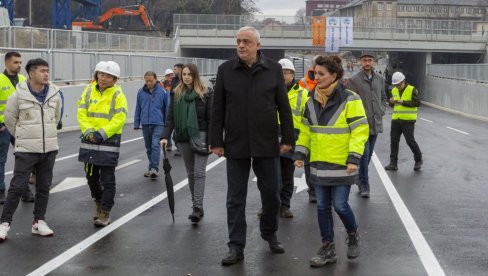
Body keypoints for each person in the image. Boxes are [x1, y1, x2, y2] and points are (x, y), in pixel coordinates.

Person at [210, 26, 294, 266]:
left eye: (246, 41)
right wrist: (216, 141)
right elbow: (218, 108)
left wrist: (288, 139)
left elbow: (283, 107)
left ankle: (269, 232)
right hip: (236, 143)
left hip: (266, 143)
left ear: (258, 45)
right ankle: (236, 246)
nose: (241, 46)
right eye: (238, 41)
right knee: (235, 197)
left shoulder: (274, 70)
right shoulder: (226, 70)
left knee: (272, 195)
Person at [294, 55, 368, 267]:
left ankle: (352, 234)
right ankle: (328, 248)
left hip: (343, 165)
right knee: (322, 208)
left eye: (321, 74)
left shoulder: (350, 99)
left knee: (340, 205)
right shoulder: (310, 100)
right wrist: (300, 154)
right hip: (318, 165)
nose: (316, 77)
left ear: (334, 75)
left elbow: (359, 131)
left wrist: (354, 158)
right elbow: (306, 131)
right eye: (314, 73)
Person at [0, 58, 63, 242]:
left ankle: (39, 222)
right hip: (26, 149)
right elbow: (10, 120)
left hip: (49, 148)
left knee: (43, 187)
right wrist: (24, 136)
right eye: (42, 71)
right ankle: (4, 224)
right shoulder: (18, 95)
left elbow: (56, 117)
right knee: (17, 186)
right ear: (31, 73)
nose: (46, 74)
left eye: (47, 70)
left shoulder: (54, 94)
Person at [77, 61, 128, 227]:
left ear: (114, 79)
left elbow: (119, 119)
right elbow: (81, 112)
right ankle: (99, 202)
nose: (103, 78)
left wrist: (101, 134)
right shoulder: (88, 91)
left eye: (107, 75)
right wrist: (89, 132)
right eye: (100, 74)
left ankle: (105, 212)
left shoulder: (118, 95)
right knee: (91, 178)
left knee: (107, 179)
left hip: (108, 142)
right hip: (89, 141)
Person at [160, 63, 212, 224]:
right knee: (190, 173)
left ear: (195, 75)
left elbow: (212, 119)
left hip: (201, 135)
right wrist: (164, 136)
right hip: (182, 136)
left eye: (189, 74)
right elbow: (170, 118)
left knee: (199, 172)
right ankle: (197, 205)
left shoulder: (206, 93)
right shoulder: (176, 94)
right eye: (184, 74)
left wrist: (212, 140)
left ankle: (197, 207)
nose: (187, 76)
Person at [346, 51, 387, 198]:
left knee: (368, 155)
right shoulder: (353, 80)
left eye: (370, 60)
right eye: (364, 60)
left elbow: (383, 97)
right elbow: (349, 101)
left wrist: (381, 110)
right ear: (360, 62)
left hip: (375, 123)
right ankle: (365, 184)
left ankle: (359, 178)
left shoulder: (380, 79)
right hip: (361, 125)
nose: (367, 63)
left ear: (374, 62)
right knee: (363, 156)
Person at [0, 51, 35, 204]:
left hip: (20, 126)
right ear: (6, 63)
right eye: (16, 62)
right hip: (3, 128)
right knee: (1, 161)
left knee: (24, 160)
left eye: (20, 62)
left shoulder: (23, 80)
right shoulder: (0, 80)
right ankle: (1, 191)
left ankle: (24, 191)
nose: (19, 65)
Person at [276, 58, 309, 218]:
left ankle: (285, 206)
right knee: (270, 176)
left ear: (292, 74)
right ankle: (269, 205)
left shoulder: (302, 94)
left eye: (286, 73)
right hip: (271, 137)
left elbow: (307, 120)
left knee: (287, 175)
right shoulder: (270, 91)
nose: (283, 76)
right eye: (280, 73)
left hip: (291, 138)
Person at [384, 72, 422, 171]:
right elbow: (393, 105)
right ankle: (393, 163)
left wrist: (403, 102)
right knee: (394, 142)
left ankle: (418, 160)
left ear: (404, 81)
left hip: (408, 121)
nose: (397, 86)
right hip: (396, 120)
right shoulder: (394, 90)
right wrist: (391, 102)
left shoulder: (412, 89)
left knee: (410, 141)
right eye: (396, 85)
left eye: (399, 84)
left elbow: (417, 103)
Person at [134, 71, 169, 178]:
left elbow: (167, 109)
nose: (148, 83)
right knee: (148, 147)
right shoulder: (140, 92)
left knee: (155, 145)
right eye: (146, 81)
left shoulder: (163, 92)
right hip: (145, 123)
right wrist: (136, 123)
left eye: (150, 81)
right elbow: (138, 108)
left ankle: (154, 168)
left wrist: (167, 125)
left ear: (156, 79)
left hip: (158, 123)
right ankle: (151, 168)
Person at [299, 56, 319, 203]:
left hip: (324, 127)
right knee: (308, 162)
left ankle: (321, 189)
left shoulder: (328, 80)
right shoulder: (303, 83)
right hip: (307, 125)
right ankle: (312, 190)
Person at [169, 63, 184, 156]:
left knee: (179, 130)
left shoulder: (184, 79)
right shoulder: (174, 80)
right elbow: (171, 92)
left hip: (183, 107)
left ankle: (181, 148)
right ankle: (179, 147)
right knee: (175, 129)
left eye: (175, 69)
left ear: (180, 69)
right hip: (175, 106)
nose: (173, 71)